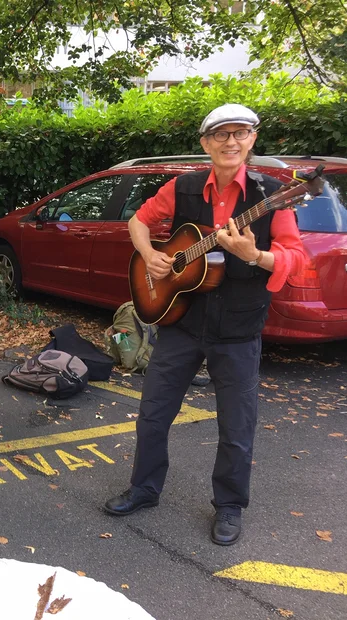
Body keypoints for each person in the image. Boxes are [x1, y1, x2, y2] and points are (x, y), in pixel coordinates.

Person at [104, 104, 306, 546]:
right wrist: (151, 256)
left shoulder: (274, 195)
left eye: (240, 134)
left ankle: (229, 506)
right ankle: (144, 489)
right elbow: (140, 221)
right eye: (221, 135)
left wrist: (254, 255)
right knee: (153, 414)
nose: (231, 142)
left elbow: (294, 259)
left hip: (237, 328)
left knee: (236, 426)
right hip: (181, 320)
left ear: (252, 139)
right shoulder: (185, 186)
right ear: (206, 143)